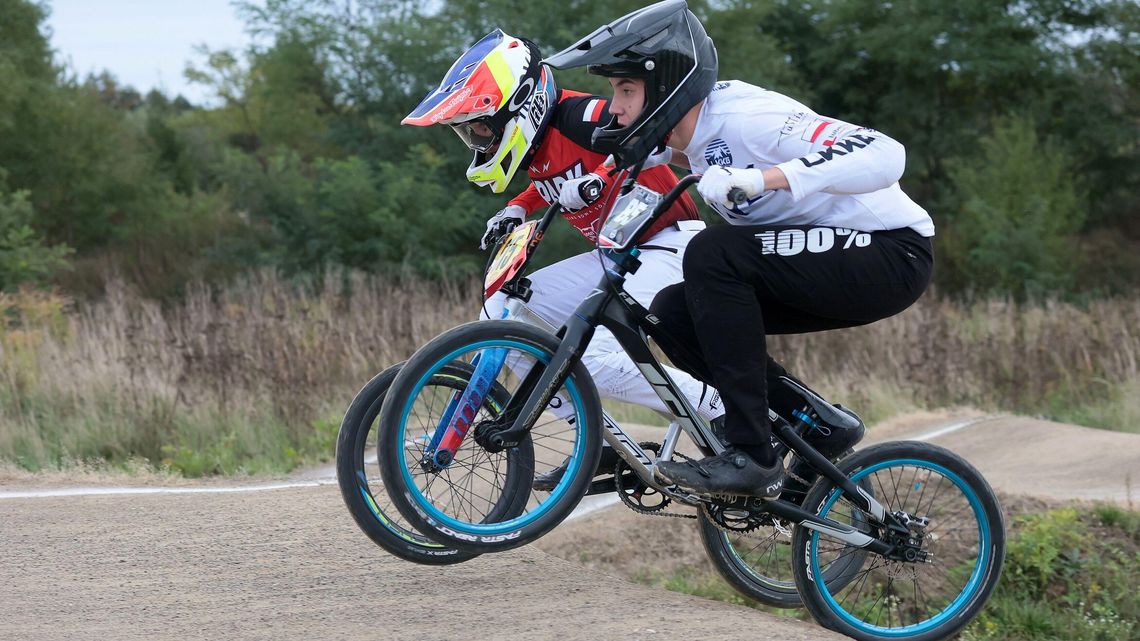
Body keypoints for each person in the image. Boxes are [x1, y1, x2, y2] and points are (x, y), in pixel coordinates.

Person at [545, 0, 934, 498]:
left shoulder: (748, 118)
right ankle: (813, 420)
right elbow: (593, 131)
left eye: (624, 90)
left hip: (889, 254)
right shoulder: (687, 134)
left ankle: (753, 454)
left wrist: (764, 179)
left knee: (713, 252)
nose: (615, 106)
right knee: (670, 311)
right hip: (833, 259)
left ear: (665, 85)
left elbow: (886, 152)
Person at [401, 29, 728, 488]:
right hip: (617, 255)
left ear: (521, 106)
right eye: (470, 132)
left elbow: (647, 134)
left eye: (480, 127)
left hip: (670, 245)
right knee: (504, 316)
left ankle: (717, 406)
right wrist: (518, 207)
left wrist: (604, 172)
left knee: (584, 355)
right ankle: (592, 442)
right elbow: (550, 177)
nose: (478, 139)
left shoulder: (583, 115)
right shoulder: (534, 144)